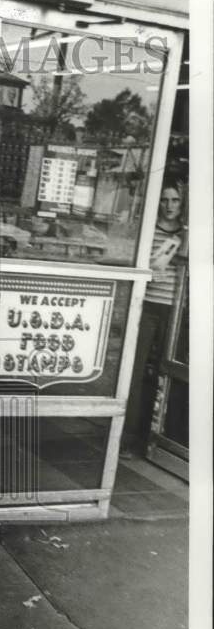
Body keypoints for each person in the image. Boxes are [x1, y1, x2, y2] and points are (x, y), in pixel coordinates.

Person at [122, 179, 187, 457]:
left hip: (174, 310)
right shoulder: (149, 230)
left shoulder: (187, 233)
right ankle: (129, 435)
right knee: (136, 371)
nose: (169, 206)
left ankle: (152, 438)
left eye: (175, 200)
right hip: (147, 305)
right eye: (165, 200)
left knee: (164, 374)